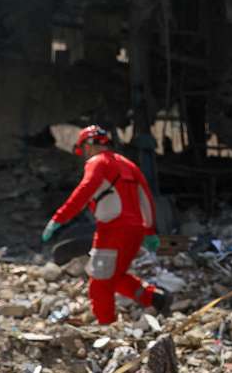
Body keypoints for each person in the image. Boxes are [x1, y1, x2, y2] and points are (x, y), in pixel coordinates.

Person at [43, 125, 168, 324]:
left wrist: (59, 218)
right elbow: (146, 197)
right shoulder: (128, 164)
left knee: (100, 283)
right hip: (134, 233)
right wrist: (149, 230)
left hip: (112, 231)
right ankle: (154, 298)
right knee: (115, 277)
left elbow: (84, 190)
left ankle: (106, 325)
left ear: (88, 146)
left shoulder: (97, 162)